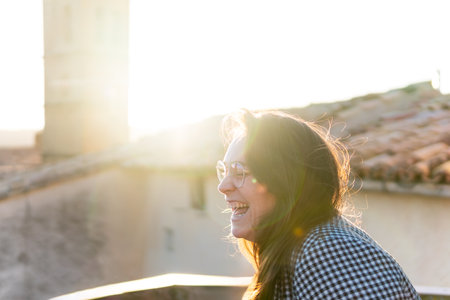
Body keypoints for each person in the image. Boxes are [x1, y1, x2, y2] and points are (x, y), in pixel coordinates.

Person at [216, 110, 419, 299]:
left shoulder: (332, 255)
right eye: (224, 170)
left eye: (239, 170)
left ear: (285, 179)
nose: (222, 186)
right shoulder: (300, 250)